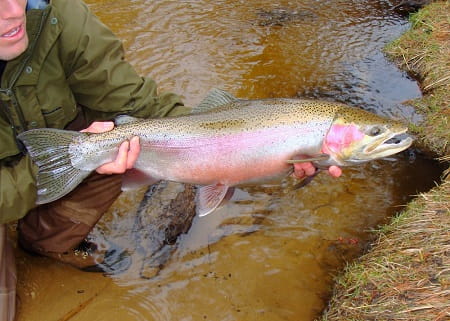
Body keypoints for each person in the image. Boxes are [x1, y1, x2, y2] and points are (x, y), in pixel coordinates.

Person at [0, 0, 341, 320]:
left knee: (120, 140)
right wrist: (54, 163)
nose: (15, 12)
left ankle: (45, 242)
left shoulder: (59, 16)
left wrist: (227, 141)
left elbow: (135, 102)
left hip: (49, 142)